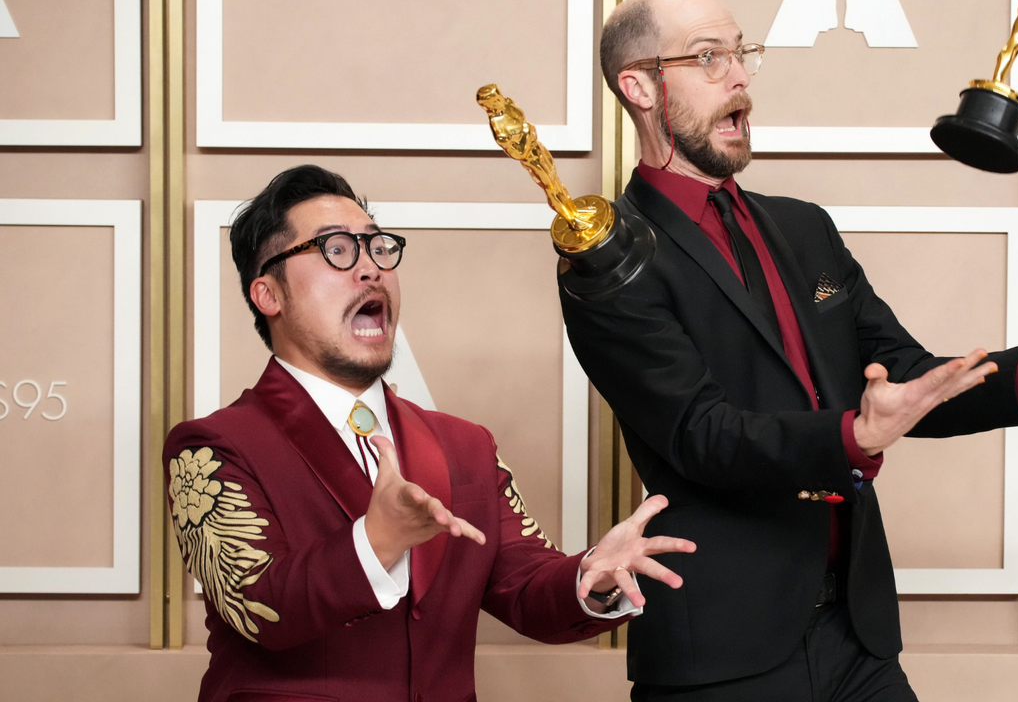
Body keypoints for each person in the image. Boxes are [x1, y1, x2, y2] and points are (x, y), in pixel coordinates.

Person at [560, 0, 1018, 701]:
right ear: (640, 86)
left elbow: (904, 376)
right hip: (721, 652)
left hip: (857, 638)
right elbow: (700, 434)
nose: (740, 76)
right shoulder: (610, 259)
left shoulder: (804, 228)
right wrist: (852, 435)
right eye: (709, 58)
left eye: (742, 54)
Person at [163, 164, 695, 702]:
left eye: (378, 248)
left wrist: (592, 577)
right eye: (337, 250)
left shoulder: (465, 445)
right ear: (267, 294)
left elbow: (525, 587)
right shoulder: (213, 447)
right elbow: (259, 607)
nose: (370, 269)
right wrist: (376, 540)